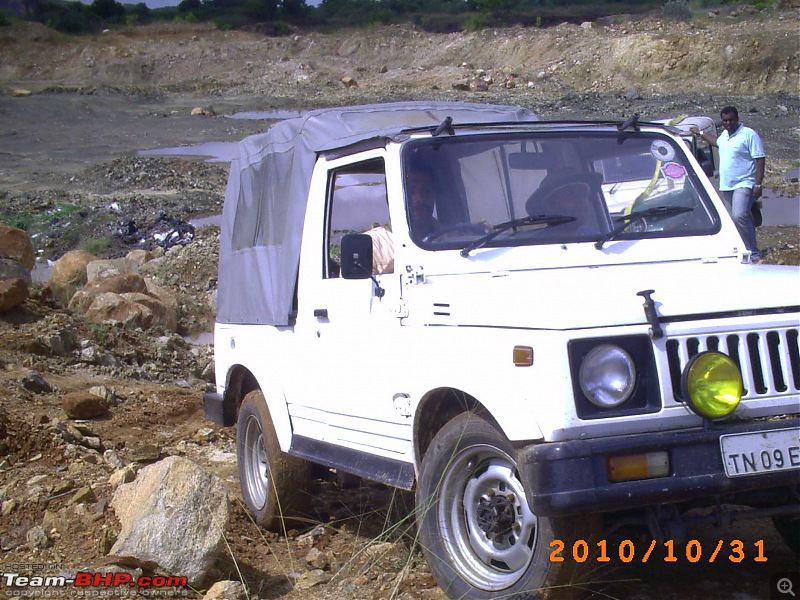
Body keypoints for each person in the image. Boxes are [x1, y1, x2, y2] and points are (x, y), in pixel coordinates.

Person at [691, 106, 765, 262]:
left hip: (744, 183)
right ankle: (742, 249)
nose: (728, 123)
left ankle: (754, 252)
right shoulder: (725, 135)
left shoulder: (748, 134)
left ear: (737, 119)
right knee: (733, 220)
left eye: (731, 120)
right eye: (725, 120)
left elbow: (760, 158)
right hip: (727, 185)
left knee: (739, 216)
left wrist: (758, 184)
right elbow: (716, 143)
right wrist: (701, 134)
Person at [407, 169, 441, 240]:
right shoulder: (378, 244)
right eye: (411, 192)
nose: (420, 199)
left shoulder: (448, 235)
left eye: (426, 191)